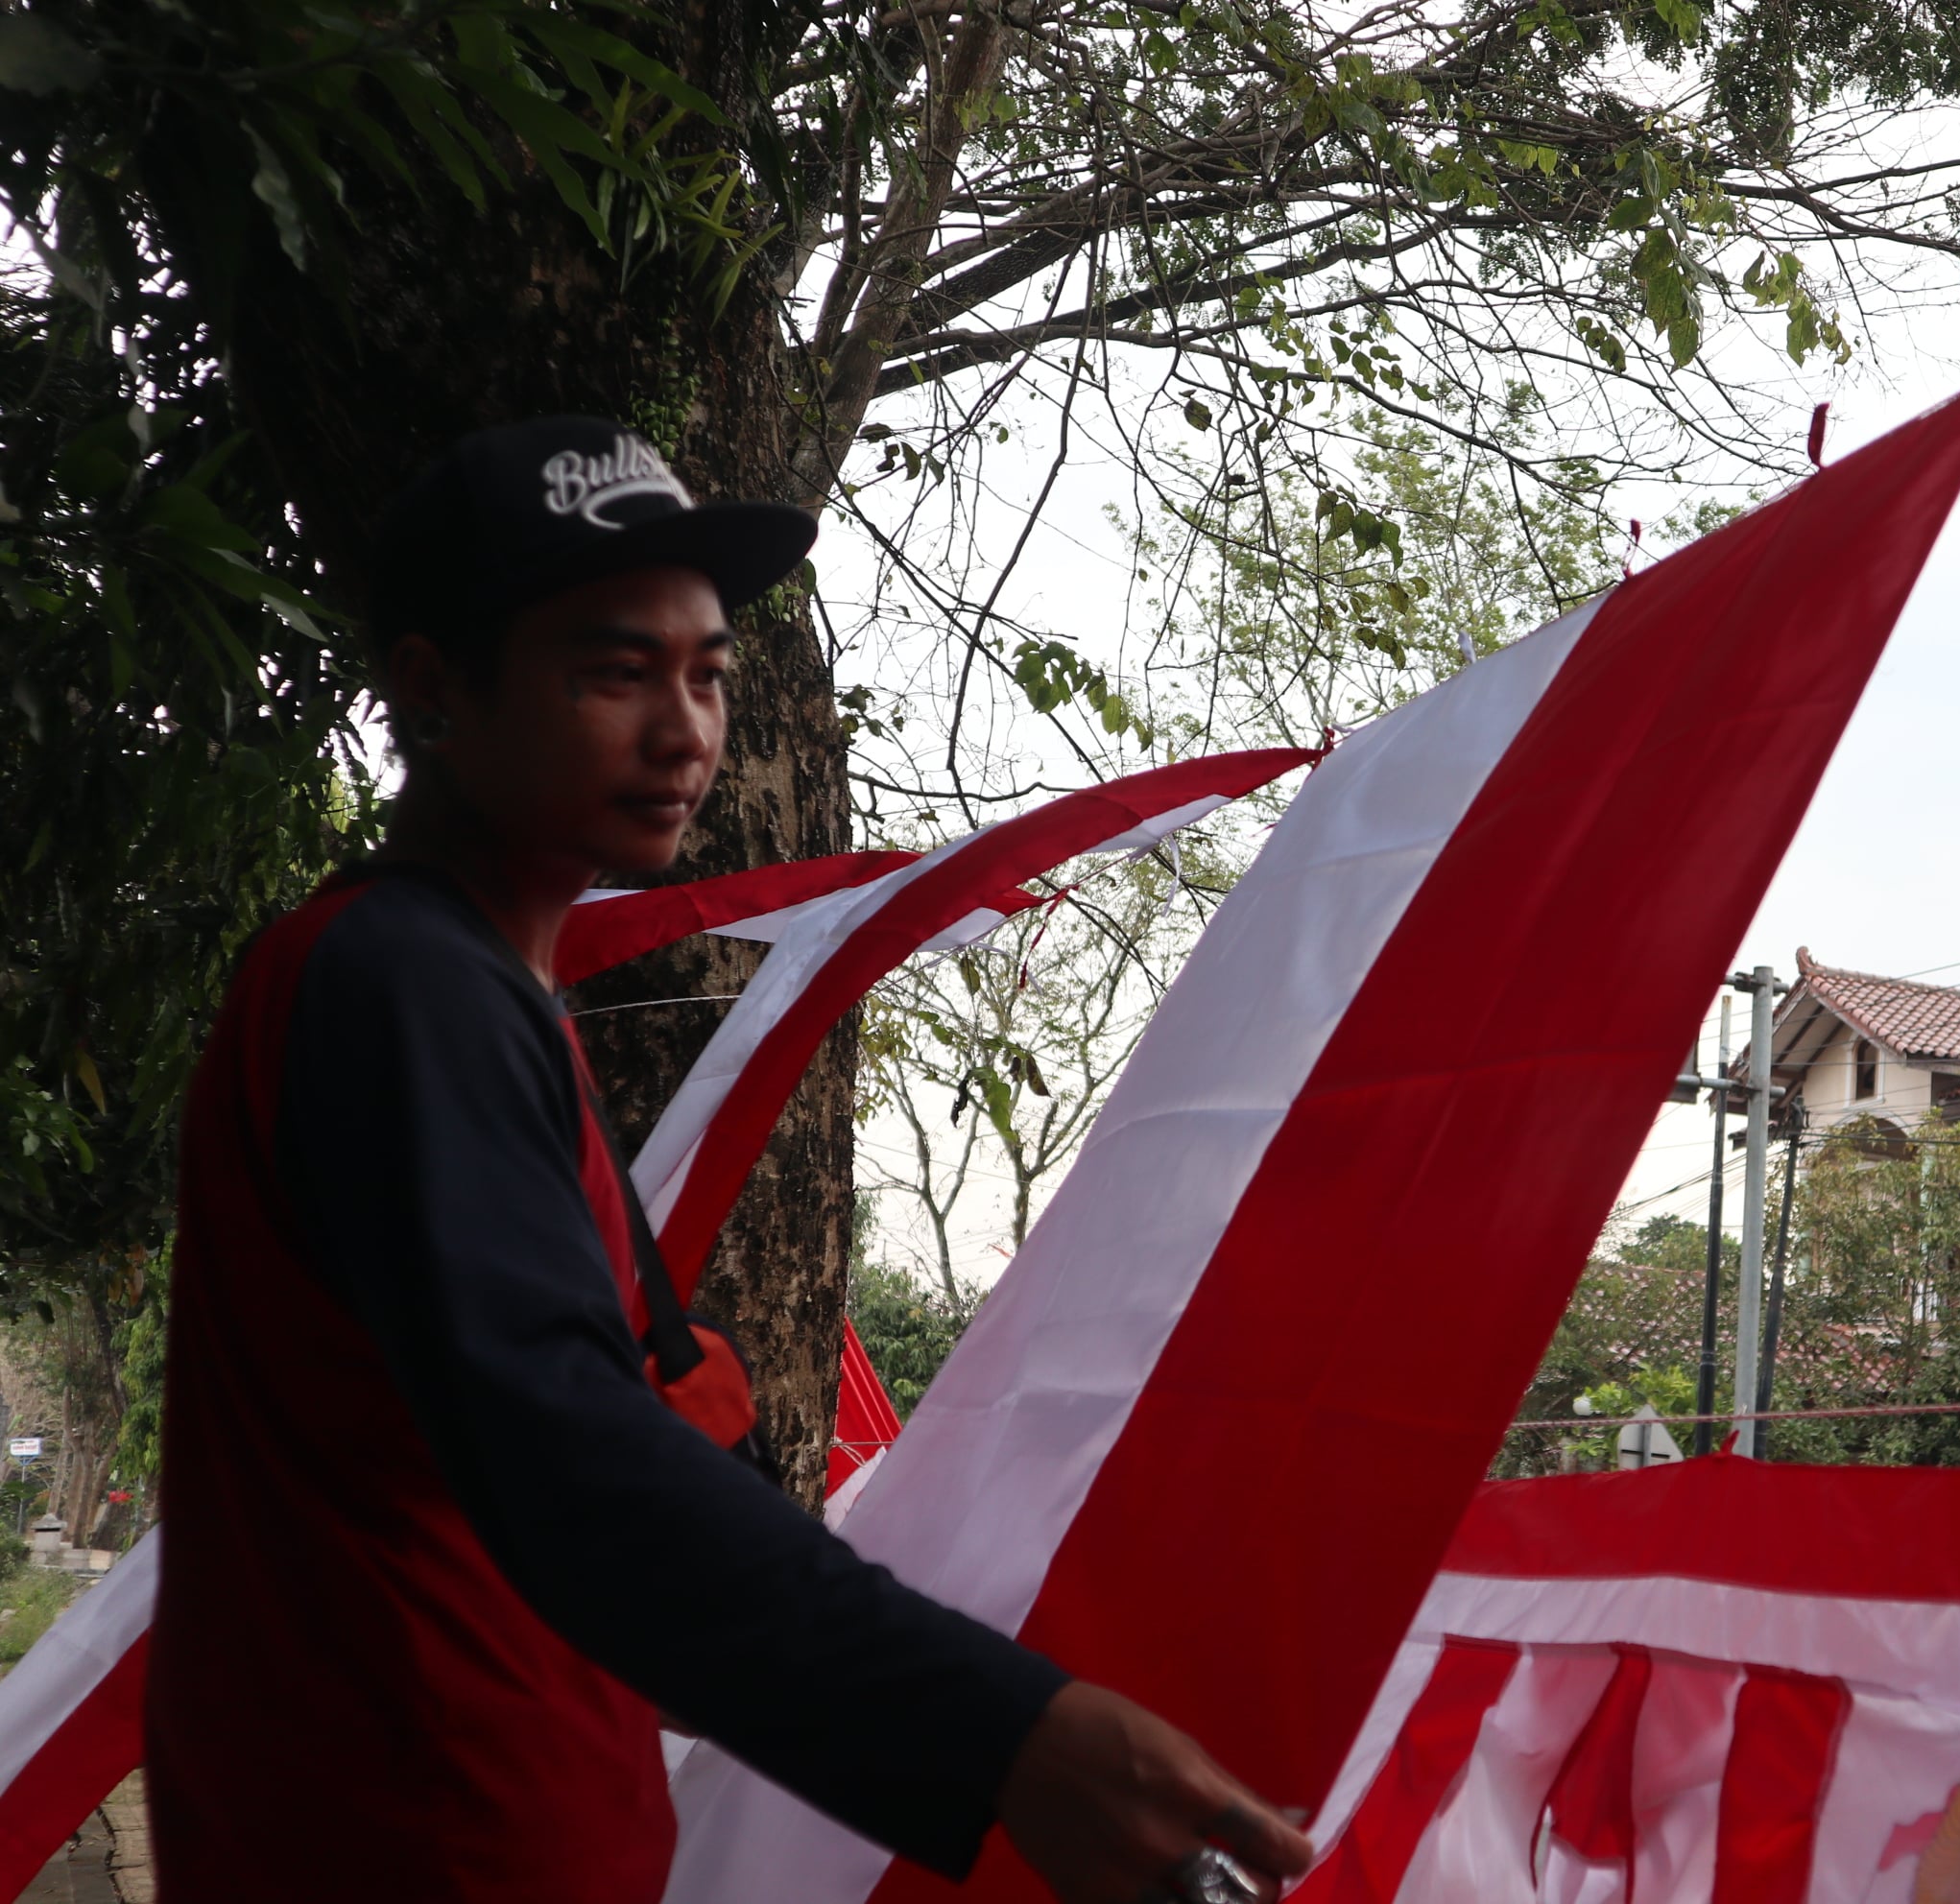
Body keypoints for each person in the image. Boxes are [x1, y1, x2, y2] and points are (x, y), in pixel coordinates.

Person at [149, 417, 1314, 1902]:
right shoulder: (400, 985)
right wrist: (1012, 1736)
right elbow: (570, 1462)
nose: (686, 729)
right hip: (412, 1840)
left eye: (707, 674)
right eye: (614, 671)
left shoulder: (478, 993)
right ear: (433, 691)